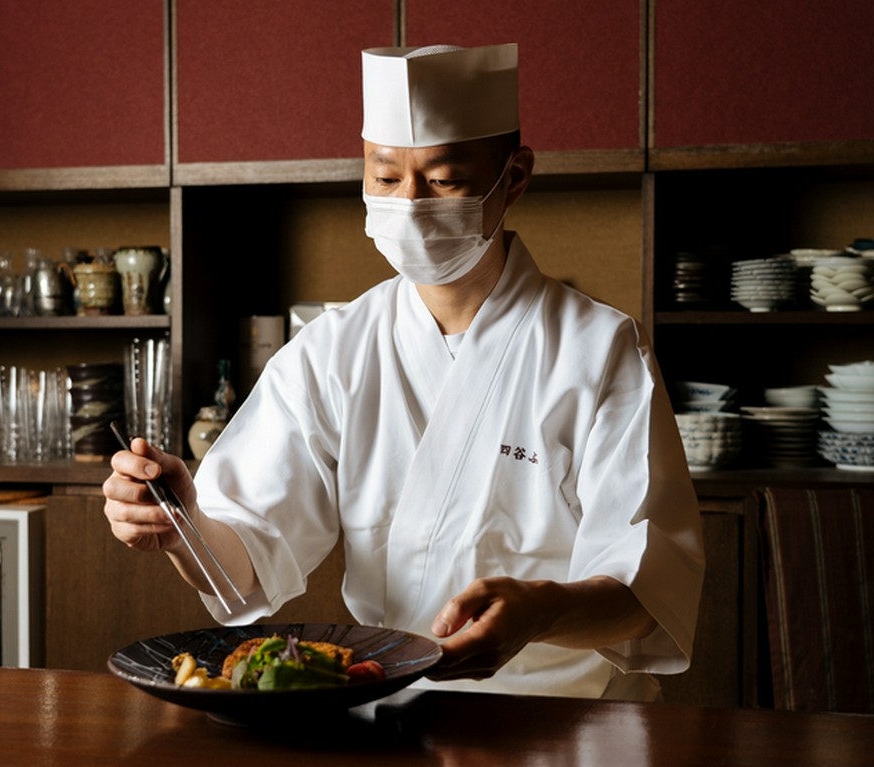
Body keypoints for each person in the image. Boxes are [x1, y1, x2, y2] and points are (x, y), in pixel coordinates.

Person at [103, 43, 704, 701]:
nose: (413, 204)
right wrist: (180, 519)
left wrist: (541, 609)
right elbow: (243, 562)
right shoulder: (333, 350)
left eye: (444, 180)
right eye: (387, 179)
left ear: (517, 175)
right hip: (379, 706)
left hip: (561, 714)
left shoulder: (598, 348)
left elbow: (647, 588)